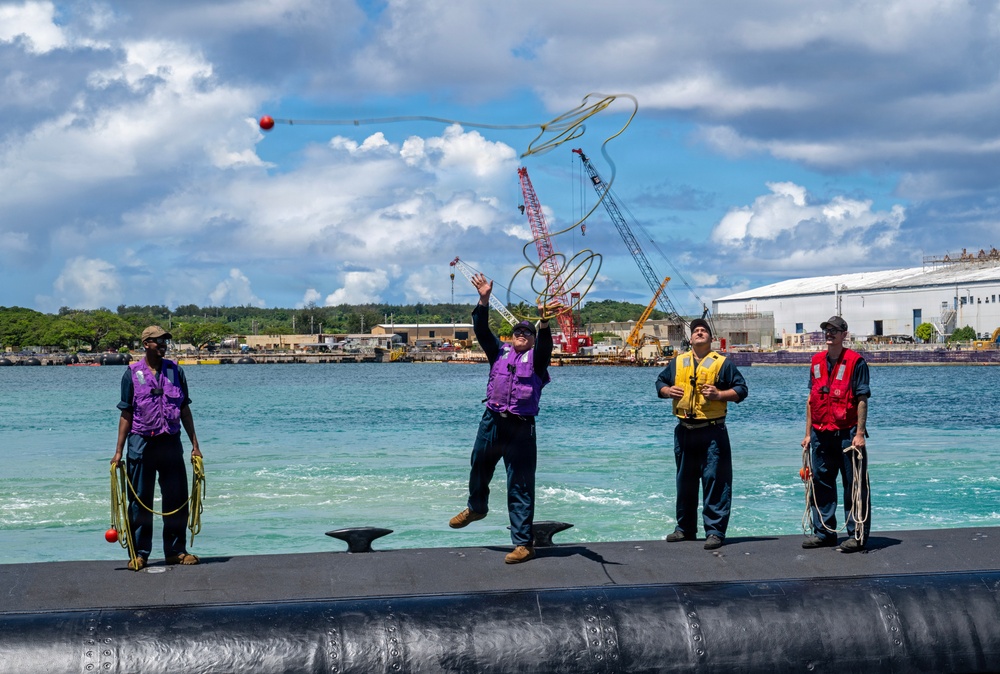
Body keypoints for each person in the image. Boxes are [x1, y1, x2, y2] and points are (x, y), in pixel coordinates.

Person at [449, 273, 553, 564]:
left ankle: (523, 544)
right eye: (517, 332)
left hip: (521, 429)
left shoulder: (537, 359)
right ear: (511, 337)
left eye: (527, 333)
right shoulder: (498, 352)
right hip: (493, 421)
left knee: (520, 484)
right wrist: (483, 299)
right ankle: (477, 507)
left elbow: (546, 346)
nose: (521, 334)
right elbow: (482, 331)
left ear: (532, 339)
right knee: (479, 464)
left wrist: (543, 323)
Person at [111, 326, 202, 570]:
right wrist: (118, 451)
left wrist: (195, 445)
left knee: (177, 499)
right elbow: (126, 414)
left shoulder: (176, 371)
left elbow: (184, 409)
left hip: (171, 443)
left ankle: (176, 551)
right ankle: (139, 553)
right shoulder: (131, 374)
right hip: (141, 444)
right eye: (158, 341)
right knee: (140, 501)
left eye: (165, 341)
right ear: (146, 344)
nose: (163, 345)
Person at [655, 318, 748, 550]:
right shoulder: (678, 362)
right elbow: (660, 383)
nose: (699, 333)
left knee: (716, 482)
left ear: (711, 338)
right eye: (695, 331)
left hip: (713, 431)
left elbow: (741, 390)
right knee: (684, 482)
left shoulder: (723, 364)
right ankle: (684, 529)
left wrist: (719, 395)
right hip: (684, 431)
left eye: (703, 331)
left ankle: (715, 531)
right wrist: (667, 391)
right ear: (690, 338)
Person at [801, 316, 871, 553]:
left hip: (847, 433)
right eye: (826, 330)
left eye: (834, 330)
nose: (829, 334)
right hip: (821, 434)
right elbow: (811, 400)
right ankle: (824, 532)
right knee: (820, 483)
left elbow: (862, 399)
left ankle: (856, 534)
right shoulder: (816, 361)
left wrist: (859, 433)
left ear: (844, 334)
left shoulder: (856, 362)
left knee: (854, 484)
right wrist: (808, 433)